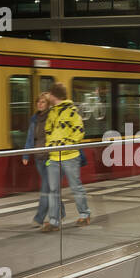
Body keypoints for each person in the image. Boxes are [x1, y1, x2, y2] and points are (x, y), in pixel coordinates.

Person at [42, 82, 90, 231]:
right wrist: (51, 146)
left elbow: (79, 131)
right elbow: (48, 131)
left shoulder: (72, 111)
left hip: (70, 155)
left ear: (54, 95)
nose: (47, 96)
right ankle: (54, 221)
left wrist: (65, 145)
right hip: (54, 157)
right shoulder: (52, 112)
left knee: (75, 187)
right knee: (53, 190)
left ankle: (84, 214)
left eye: (49, 93)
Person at [21, 93, 51, 227]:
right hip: (39, 157)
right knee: (51, 188)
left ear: (48, 104)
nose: (40, 104)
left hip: (51, 157)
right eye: (38, 102)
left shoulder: (52, 117)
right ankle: (60, 212)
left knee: (46, 188)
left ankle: (39, 218)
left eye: (43, 102)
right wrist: (26, 155)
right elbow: (30, 137)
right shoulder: (34, 119)